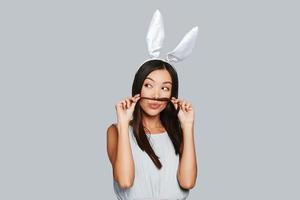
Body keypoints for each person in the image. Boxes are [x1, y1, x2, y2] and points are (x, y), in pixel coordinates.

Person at [107, 9, 199, 199]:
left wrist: (188, 126)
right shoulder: (116, 131)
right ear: (137, 88)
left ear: (172, 95)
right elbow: (124, 181)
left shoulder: (178, 132)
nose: (156, 95)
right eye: (149, 85)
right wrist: (124, 124)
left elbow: (188, 182)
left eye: (165, 88)